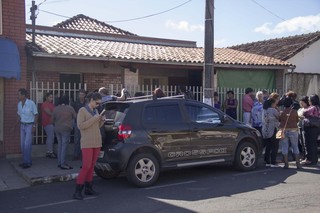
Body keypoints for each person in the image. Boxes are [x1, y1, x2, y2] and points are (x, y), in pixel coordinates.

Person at [73, 92, 105, 200]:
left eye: (99, 104)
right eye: (97, 103)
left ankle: (88, 188)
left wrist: (101, 120)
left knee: (92, 166)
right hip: (87, 142)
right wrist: (95, 118)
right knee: (86, 166)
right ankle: (77, 191)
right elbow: (80, 126)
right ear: (91, 100)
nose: (98, 105)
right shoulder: (82, 110)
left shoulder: (95, 111)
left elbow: (97, 125)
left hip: (97, 142)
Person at [52, 95, 77, 170]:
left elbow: (52, 119)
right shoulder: (70, 108)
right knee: (64, 146)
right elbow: (75, 117)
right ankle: (63, 163)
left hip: (57, 128)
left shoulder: (56, 108)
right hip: (66, 128)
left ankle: (59, 162)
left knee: (60, 145)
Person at [16, 88, 38, 169]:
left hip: (29, 125)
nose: (17, 96)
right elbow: (19, 115)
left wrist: (34, 126)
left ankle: (28, 162)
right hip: (22, 126)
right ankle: (25, 161)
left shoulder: (31, 103)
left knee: (27, 144)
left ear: (23, 95)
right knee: (22, 144)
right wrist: (14, 125)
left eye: (19, 94)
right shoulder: (19, 104)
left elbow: (36, 115)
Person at [279, 97, 301, 169]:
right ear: (291, 104)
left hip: (284, 130)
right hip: (293, 129)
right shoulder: (294, 111)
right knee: (295, 146)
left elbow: (280, 120)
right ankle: (298, 164)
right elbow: (297, 120)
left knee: (284, 147)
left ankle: (286, 164)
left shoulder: (282, 112)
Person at [302, 94, 320, 166]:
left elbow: (305, 112)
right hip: (317, 127)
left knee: (310, 144)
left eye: (309, 100)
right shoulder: (318, 107)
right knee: (314, 144)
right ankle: (314, 159)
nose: (309, 101)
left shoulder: (313, 108)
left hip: (310, 127)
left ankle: (310, 160)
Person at [262, 98, 280, 167]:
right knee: (275, 146)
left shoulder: (264, 110)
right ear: (272, 104)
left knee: (268, 146)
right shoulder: (273, 110)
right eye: (275, 104)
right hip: (273, 129)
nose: (276, 105)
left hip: (265, 130)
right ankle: (273, 162)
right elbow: (279, 117)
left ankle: (267, 161)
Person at [72, 89, 87, 161]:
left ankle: (83, 155)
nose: (81, 96)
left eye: (83, 94)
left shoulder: (87, 103)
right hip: (77, 122)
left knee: (85, 139)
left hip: (86, 122)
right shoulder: (75, 103)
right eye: (80, 94)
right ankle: (76, 154)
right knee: (77, 139)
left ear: (85, 95)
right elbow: (73, 113)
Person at [41, 92, 56, 158]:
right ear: (46, 97)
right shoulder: (44, 104)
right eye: (50, 97)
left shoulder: (52, 104)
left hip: (52, 123)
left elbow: (54, 112)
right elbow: (49, 113)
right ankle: (49, 151)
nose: (51, 98)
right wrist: (55, 114)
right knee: (50, 137)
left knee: (51, 137)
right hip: (47, 123)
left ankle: (50, 151)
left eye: (52, 97)